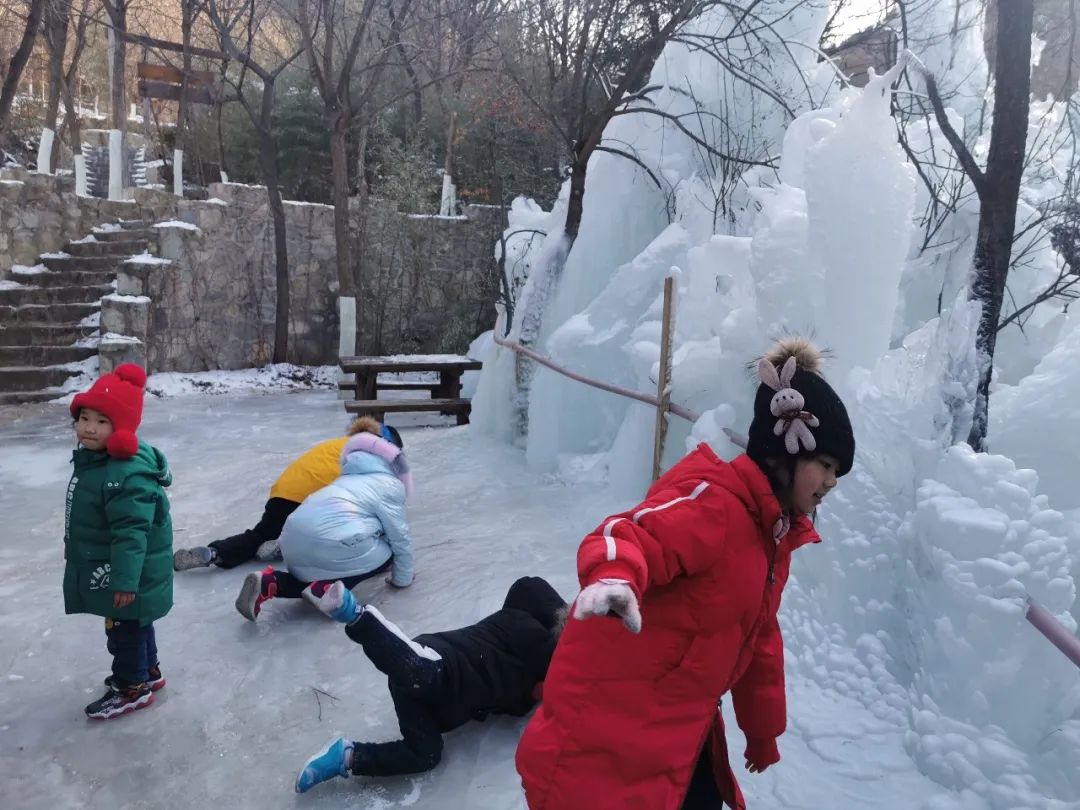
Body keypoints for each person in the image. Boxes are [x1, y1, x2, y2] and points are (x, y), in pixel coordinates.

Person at [515, 338, 856, 810]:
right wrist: (615, 575)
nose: (833, 481)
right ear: (784, 451)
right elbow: (630, 533)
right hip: (607, 734)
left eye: (837, 470)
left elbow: (757, 639)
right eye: (826, 464)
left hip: (677, 727)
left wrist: (762, 733)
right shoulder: (715, 504)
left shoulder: (771, 538)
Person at [294, 576, 567, 793]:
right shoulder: (526, 630)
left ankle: (346, 756)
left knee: (425, 755)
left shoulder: (533, 685)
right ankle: (356, 615)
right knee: (420, 674)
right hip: (436, 664)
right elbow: (529, 587)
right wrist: (566, 624)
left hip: (434, 703)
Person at [64, 364, 174, 720]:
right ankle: (148, 671)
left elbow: (131, 533)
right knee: (137, 619)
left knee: (123, 625)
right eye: (84, 417)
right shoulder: (104, 464)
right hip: (125, 568)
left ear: (121, 428)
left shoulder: (124, 475)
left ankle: (132, 687)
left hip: (127, 571)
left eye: (101, 420)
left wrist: (124, 581)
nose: (89, 427)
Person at [234, 417, 415, 621]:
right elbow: (400, 538)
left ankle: (272, 581)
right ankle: (325, 589)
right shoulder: (389, 485)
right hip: (329, 544)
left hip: (291, 544)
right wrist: (402, 580)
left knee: (321, 564)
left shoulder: (344, 476)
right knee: (388, 553)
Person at [172, 420, 403, 571]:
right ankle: (286, 545)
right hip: (313, 503)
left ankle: (214, 552)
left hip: (284, 492)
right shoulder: (373, 456)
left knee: (260, 533)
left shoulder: (337, 444)